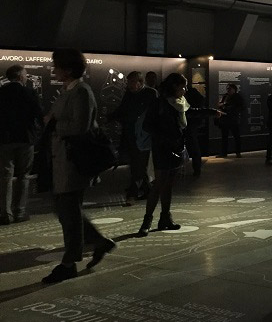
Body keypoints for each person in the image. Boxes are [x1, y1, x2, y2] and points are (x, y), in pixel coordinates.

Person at [42, 49, 115, 284]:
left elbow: (80, 127)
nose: (54, 70)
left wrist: (53, 125)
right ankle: (99, 242)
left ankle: (69, 262)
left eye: (57, 66)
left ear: (69, 69)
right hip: (61, 159)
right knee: (66, 209)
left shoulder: (82, 92)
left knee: (68, 212)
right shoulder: (69, 90)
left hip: (73, 161)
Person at [137, 73, 190, 237]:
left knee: (168, 185)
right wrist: (165, 137)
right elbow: (147, 125)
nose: (185, 90)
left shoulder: (180, 104)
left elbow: (191, 112)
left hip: (176, 147)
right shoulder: (159, 103)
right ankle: (147, 221)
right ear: (174, 86)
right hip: (162, 148)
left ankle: (165, 218)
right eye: (182, 86)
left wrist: (211, 112)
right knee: (158, 185)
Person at [0, 65, 42, 225]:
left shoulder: (1, 93)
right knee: (24, 176)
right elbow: (38, 113)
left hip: (5, 140)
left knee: (5, 177)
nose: (26, 77)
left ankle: (5, 213)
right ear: (19, 76)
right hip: (26, 139)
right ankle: (20, 211)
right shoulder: (29, 92)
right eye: (25, 74)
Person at [108, 71, 157, 206]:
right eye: (128, 82)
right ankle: (148, 190)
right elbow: (122, 110)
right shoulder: (130, 94)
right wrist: (110, 117)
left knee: (138, 165)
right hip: (131, 136)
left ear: (140, 82)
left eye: (131, 82)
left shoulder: (150, 94)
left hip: (143, 137)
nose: (129, 85)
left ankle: (132, 194)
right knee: (137, 164)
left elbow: (155, 114)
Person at [217, 83, 244, 158]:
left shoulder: (238, 97)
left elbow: (239, 107)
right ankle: (224, 153)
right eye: (227, 89)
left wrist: (225, 106)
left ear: (234, 89)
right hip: (225, 119)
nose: (228, 90)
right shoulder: (225, 96)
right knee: (224, 137)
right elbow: (220, 105)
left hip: (233, 120)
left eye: (229, 89)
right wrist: (225, 106)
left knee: (236, 136)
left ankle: (238, 152)